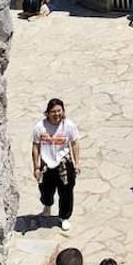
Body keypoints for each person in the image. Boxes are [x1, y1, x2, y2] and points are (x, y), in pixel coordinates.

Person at [31, 98, 80, 231]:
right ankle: (47, 206)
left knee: (66, 193)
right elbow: (36, 147)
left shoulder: (69, 126)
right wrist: (36, 166)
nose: (57, 114)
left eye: (59, 111)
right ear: (47, 113)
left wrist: (77, 163)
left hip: (64, 164)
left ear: (63, 112)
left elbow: (74, 144)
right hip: (46, 165)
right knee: (45, 190)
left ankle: (64, 217)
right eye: (53, 111)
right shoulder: (40, 127)